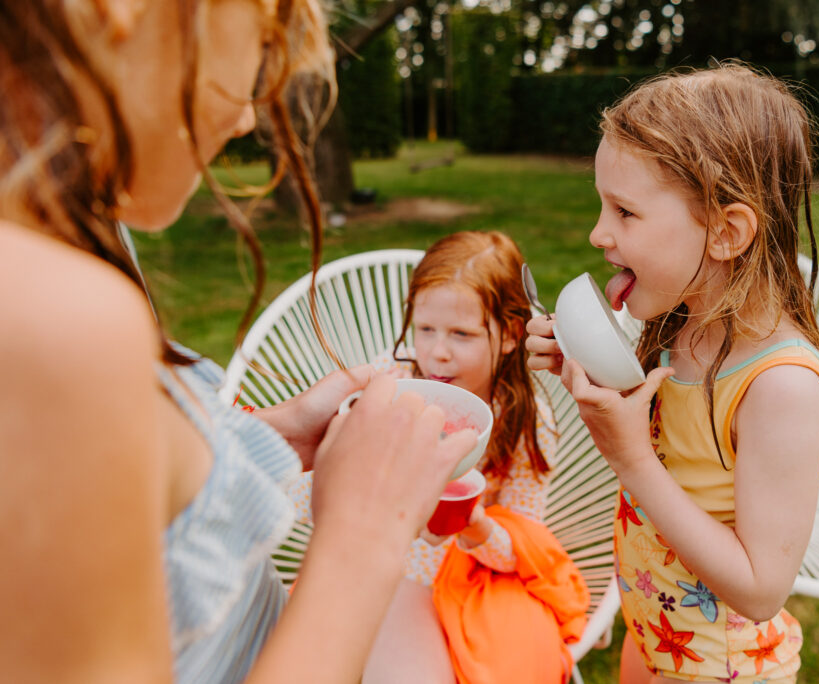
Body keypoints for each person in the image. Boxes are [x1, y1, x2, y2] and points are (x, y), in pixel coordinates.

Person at [0, 1, 479, 682]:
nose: (250, 113)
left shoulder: (61, 243)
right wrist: (364, 537)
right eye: (260, 37)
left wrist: (274, 439)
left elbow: (124, 527)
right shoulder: (57, 319)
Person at [526, 64, 819, 684]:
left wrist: (631, 460)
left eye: (625, 212)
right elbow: (677, 453)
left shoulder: (782, 387)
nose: (598, 233)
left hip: (718, 668)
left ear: (725, 231)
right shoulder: (682, 323)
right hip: (652, 634)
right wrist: (586, 365)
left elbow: (760, 589)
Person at [288, 231, 589, 683]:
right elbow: (307, 495)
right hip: (371, 563)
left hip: (451, 582)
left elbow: (523, 551)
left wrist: (472, 522)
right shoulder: (390, 386)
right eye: (425, 329)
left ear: (509, 335)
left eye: (461, 334)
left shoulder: (526, 424)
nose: (437, 351)